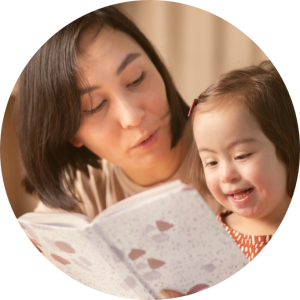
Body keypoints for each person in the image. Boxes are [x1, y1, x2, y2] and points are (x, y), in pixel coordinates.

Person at [15, 6, 222, 299]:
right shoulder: (83, 191)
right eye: (95, 106)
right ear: (70, 133)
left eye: (136, 78)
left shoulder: (234, 148)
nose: (131, 116)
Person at [188, 60, 299, 262]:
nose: (226, 175)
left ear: (285, 147)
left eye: (242, 156)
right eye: (212, 162)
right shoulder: (210, 237)